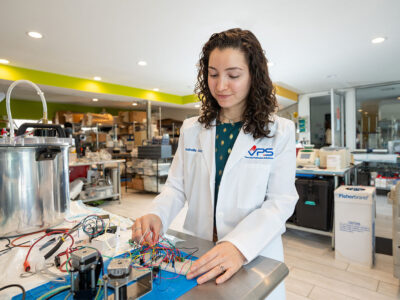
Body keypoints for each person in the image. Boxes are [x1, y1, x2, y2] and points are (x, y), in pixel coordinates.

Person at [131, 28, 298, 299]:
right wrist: (157, 214)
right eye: (213, 74)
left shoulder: (280, 131)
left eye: (233, 75)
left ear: (254, 75)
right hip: (197, 251)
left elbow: (281, 201)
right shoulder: (192, 129)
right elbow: (176, 187)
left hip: (253, 254)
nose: (221, 86)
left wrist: (239, 246)